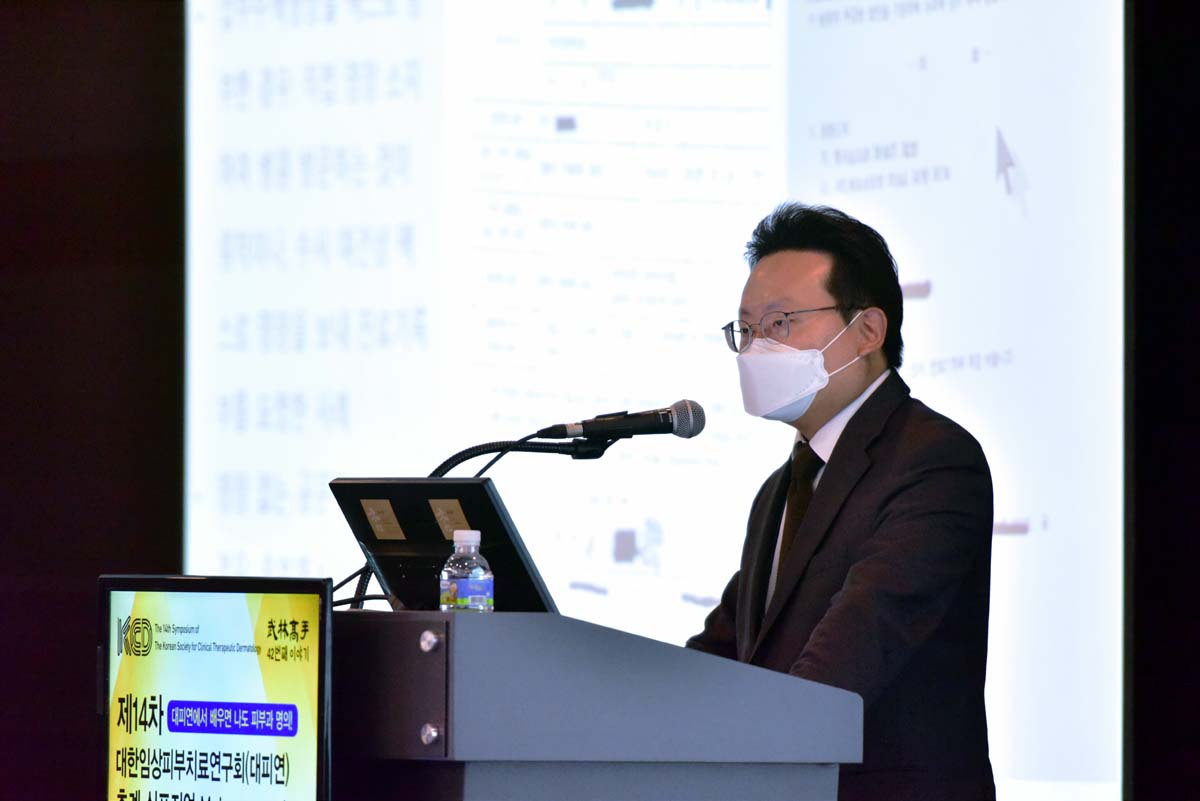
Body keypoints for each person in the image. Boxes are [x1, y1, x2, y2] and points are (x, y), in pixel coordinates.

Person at [687, 203, 995, 801]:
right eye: (746, 330)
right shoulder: (780, 489)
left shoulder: (933, 461)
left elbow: (853, 651)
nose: (756, 348)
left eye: (781, 323)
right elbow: (726, 652)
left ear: (868, 330)